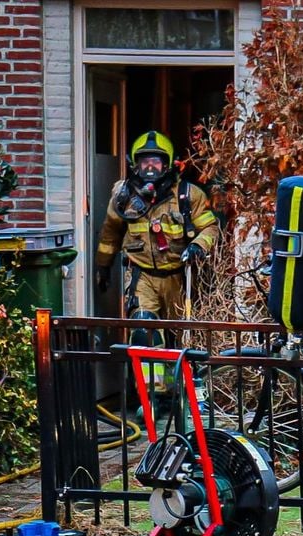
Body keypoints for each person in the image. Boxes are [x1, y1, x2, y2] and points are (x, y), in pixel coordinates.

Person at [95, 131, 219, 400]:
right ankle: (153, 396)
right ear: (134, 164)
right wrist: (102, 267)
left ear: (169, 164)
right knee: (144, 331)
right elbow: (110, 234)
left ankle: (184, 394)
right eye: (144, 162)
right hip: (143, 277)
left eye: (157, 162)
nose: (150, 168)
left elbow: (210, 227)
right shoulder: (123, 195)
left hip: (179, 275)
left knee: (181, 337)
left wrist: (198, 245)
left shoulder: (189, 195)